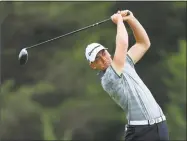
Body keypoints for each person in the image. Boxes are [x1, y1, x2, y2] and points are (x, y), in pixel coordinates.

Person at [85, 10, 169, 141]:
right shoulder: (108, 79)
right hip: (140, 132)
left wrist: (131, 19)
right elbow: (122, 44)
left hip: (160, 127)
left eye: (103, 53)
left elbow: (143, 43)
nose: (103, 58)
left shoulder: (125, 63)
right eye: (97, 58)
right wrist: (119, 21)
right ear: (93, 65)